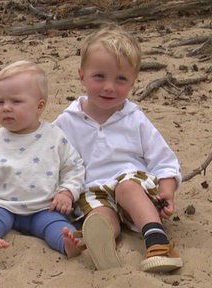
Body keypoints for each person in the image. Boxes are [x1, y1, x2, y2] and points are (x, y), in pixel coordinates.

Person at [53, 23, 183, 273]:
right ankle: (101, 245)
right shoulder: (66, 122)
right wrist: (63, 192)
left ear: (133, 81)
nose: (109, 87)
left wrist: (167, 189)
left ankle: (157, 241)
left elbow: (164, 160)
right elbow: (51, 160)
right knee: (101, 217)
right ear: (81, 75)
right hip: (93, 188)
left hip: (134, 185)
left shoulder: (134, 118)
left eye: (120, 79)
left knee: (126, 188)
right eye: (99, 76)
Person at [0, 60, 86, 258]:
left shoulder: (55, 137)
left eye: (15, 101)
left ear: (39, 106)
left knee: (57, 226)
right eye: (0, 102)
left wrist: (67, 192)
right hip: (1, 204)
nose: (6, 108)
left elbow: (73, 168)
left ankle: (68, 245)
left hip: (43, 207)